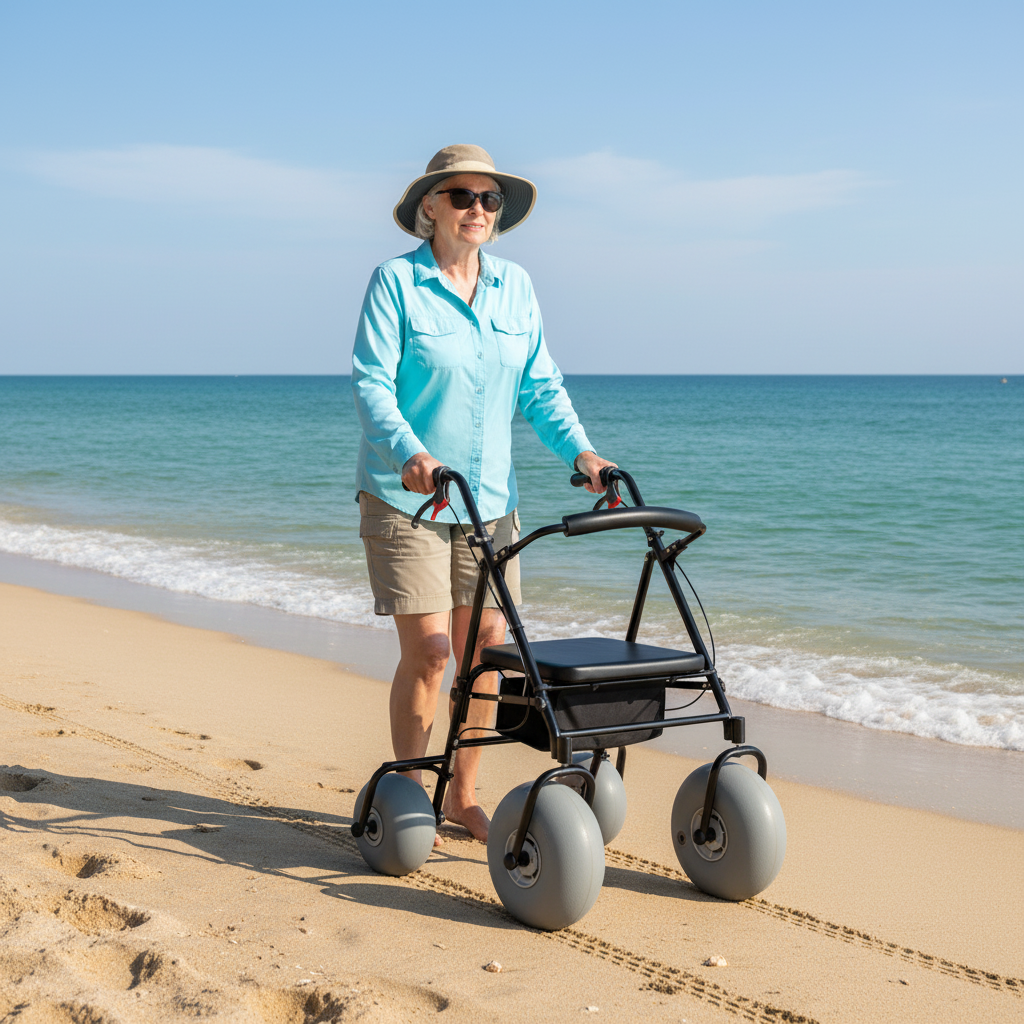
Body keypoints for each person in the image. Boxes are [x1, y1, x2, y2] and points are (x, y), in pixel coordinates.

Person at [351, 144, 614, 844]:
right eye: (463, 197)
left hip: (489, 501)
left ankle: (463, 795)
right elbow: (372, 383)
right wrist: (412, 454)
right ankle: (409, 792)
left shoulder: (516, 288)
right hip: (408, 497)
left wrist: (583, 454)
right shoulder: (396, 283)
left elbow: (539, 387)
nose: (477, 209)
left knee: (487, 652)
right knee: (434, 651)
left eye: (489, 199)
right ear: (429, 206)